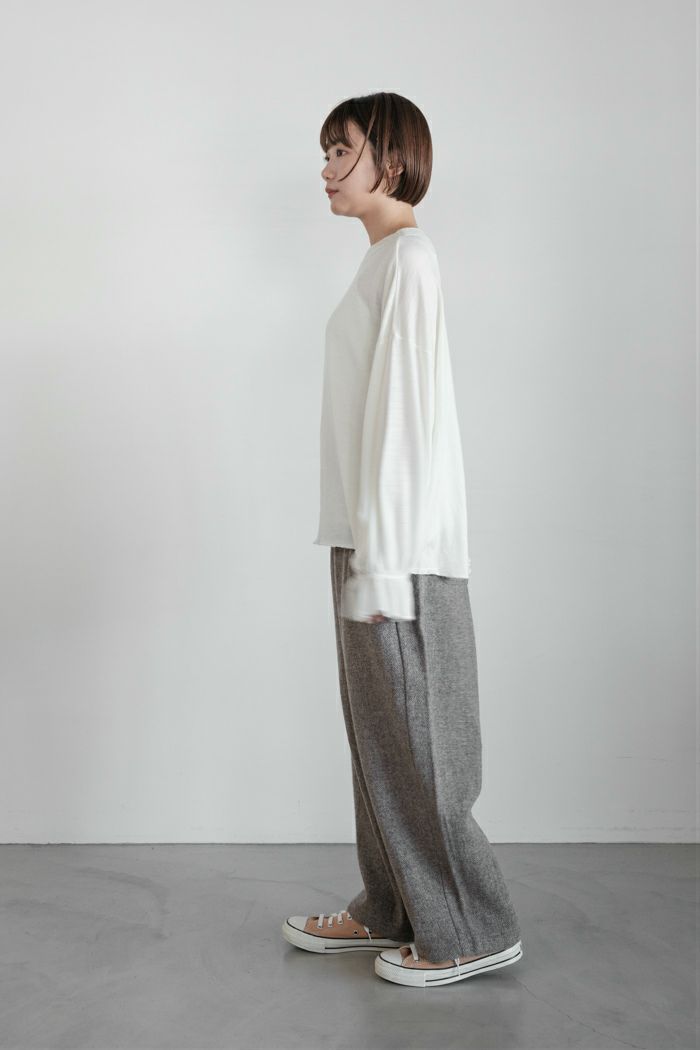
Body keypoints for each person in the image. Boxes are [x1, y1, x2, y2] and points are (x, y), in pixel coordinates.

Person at [281, 92, 523, 989]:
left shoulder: (410, 260)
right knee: (380, 742)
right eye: (324, 153)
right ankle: (391, 905)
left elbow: (403, 423)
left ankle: (471, 926)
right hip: (369, 537)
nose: (325, 169)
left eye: (339, 150)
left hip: (403, 549)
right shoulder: (383, 261)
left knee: (424, 747)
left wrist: (383, 563)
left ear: (389, 158)